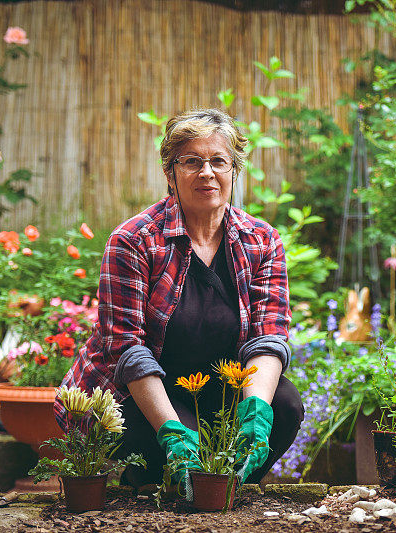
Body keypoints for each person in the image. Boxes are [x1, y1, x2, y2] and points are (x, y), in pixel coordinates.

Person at [55, 108, 304, 488]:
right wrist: (171, 429)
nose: (207, 172)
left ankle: (228, 492)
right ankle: (148, 483)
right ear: (170, 173)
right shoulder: (135, 240)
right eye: (191, 161)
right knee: (172, 462)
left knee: (283, 406)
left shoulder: (262, 240)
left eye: (218, 161)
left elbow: (269, 336)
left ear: (234, 170)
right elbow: (126, 349)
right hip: (142, 393)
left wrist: (255, 412)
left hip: (220, 389)